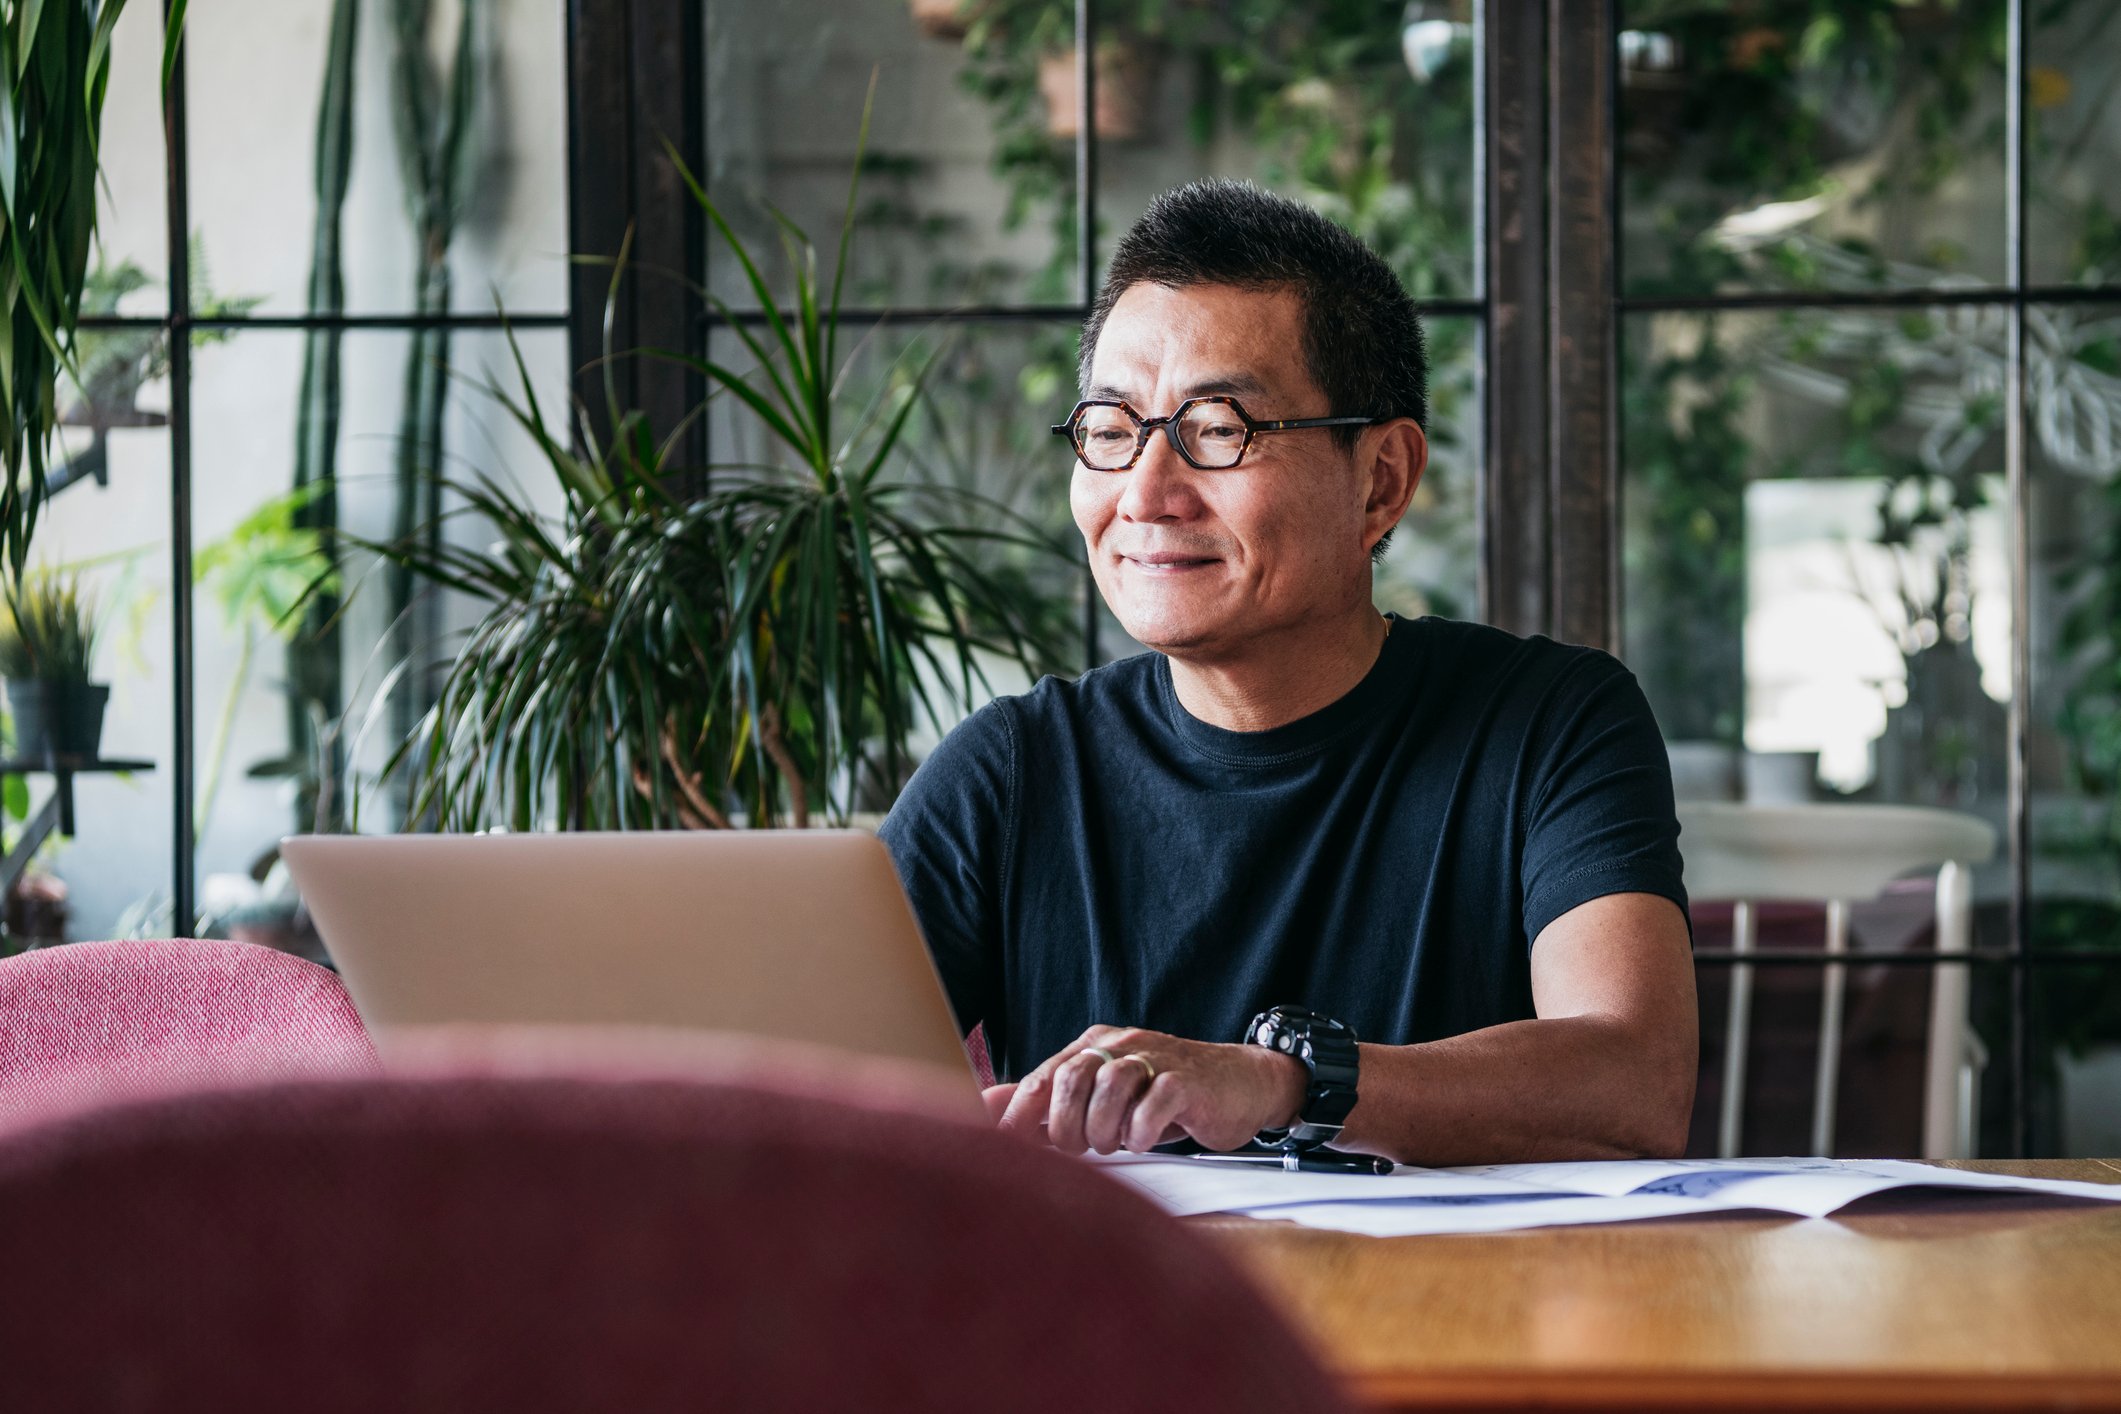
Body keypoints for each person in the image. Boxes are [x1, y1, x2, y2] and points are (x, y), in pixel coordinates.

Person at [879, 180, 1695, 1167]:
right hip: (1114, 1320)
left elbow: (1631, 1083)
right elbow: (796, 1097)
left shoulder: (1547, 723)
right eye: (1110, 428)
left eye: (1219, 428)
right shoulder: (1008, 776)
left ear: (1381, 479)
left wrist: (1278, 1080)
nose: (1144, 492)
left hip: (1464, 1316)